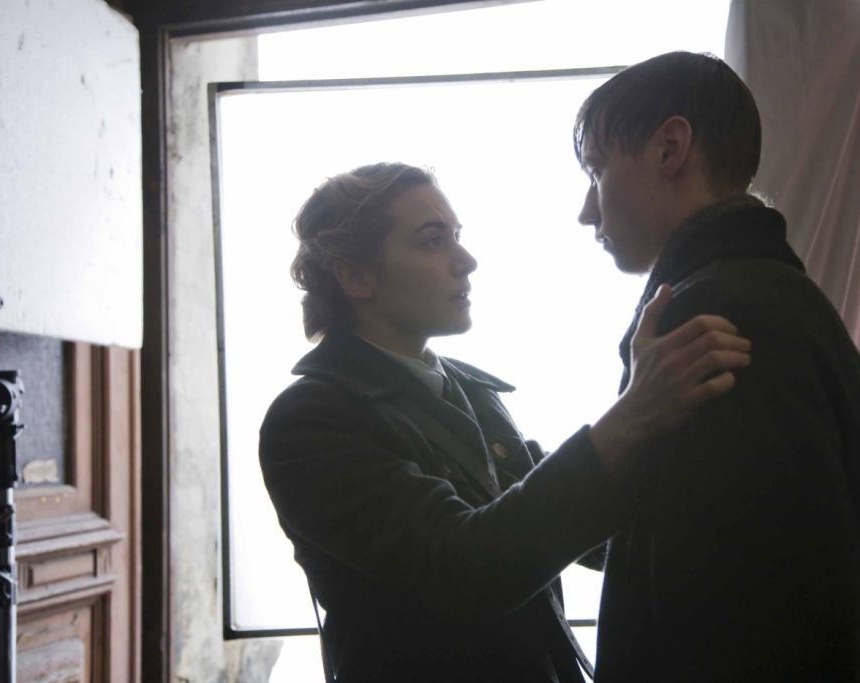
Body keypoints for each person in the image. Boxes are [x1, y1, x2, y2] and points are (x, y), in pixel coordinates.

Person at [258, 162, 753, 683]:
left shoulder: (471, 391)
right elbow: (468, 570)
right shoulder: (308, 422)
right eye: (433, 241)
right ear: (356, 276)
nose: (466, 260)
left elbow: (581, 529)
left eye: (457, 237)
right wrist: (633, 413)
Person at [574, 51, 860, 681]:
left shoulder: (714, 313)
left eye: (596, 169)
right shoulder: (768, 291)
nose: (588, 210)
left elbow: (765, 615)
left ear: (670, 148)